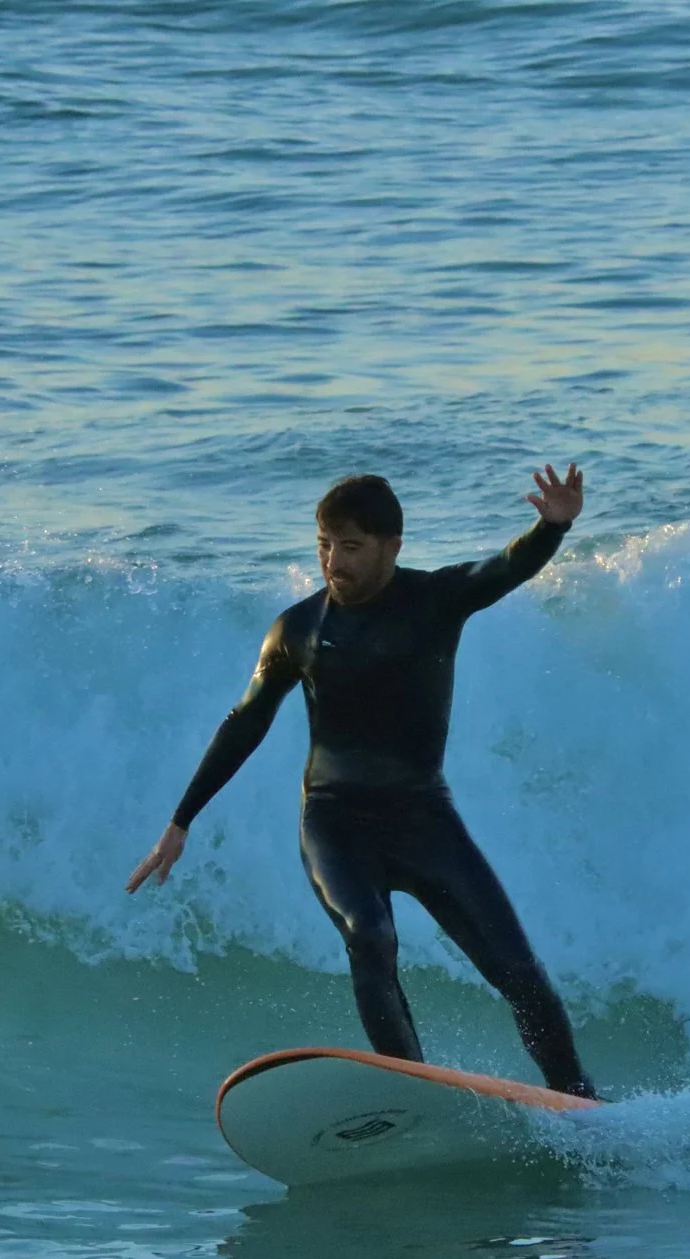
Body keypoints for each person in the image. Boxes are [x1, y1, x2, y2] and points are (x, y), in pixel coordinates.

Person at [127, 466, 597, 1099]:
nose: (332, 561)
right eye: (324, 544)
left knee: (518, 970)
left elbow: (505, 567)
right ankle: (414, 1095)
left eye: (349, 546)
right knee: (370, 935)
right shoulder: (298, 629)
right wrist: (180, 821)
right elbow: (245, 722)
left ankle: (580, 1102)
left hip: (423, 817)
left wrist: (553, 526)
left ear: (391, 546)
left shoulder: (434, 599)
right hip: (334, 820)